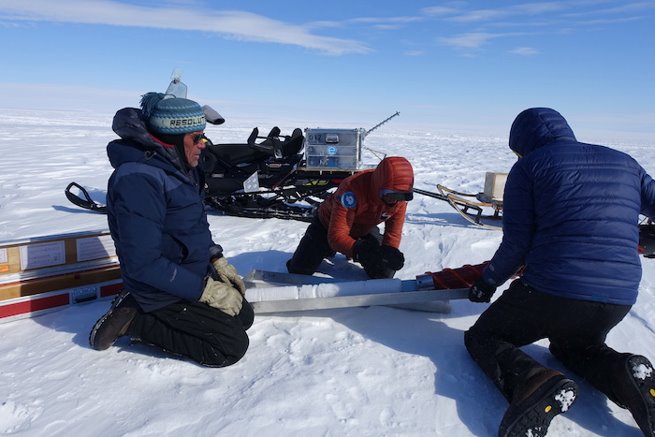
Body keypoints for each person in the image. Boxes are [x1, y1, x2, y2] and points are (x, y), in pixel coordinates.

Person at [464, 107, 655, 436]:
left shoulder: (528, 168)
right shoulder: (626, 162)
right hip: (618, 297)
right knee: (571, 345)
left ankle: (535, 381)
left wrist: (487, 282)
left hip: (553, 290)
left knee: (484, 337)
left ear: (522, 144)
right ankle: (625, 373)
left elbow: (516, 243)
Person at [89, 92, 254, 367]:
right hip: (158, 287)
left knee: (243, 316)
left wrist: (217, 259)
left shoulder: (180, 167)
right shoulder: (138, 180)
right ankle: (135, 320)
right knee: (229, 347)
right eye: (196, 137)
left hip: (188, 273)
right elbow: (143, 263)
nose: (203, 145)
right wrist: (206, 292)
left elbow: (193, 225)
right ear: (173, 137)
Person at [286, 156, 414, 279]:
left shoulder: (399, 200)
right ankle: (324, 248)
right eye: (390, 194)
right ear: (379, 185)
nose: (395, 200)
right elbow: (337, 236)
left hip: (364, 228)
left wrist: (389, 252)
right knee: (299, 269)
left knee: (383, 271)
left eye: (402, 196)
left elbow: (393, 233)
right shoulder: (351, 189)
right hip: (327, 225)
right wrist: (360, 251)